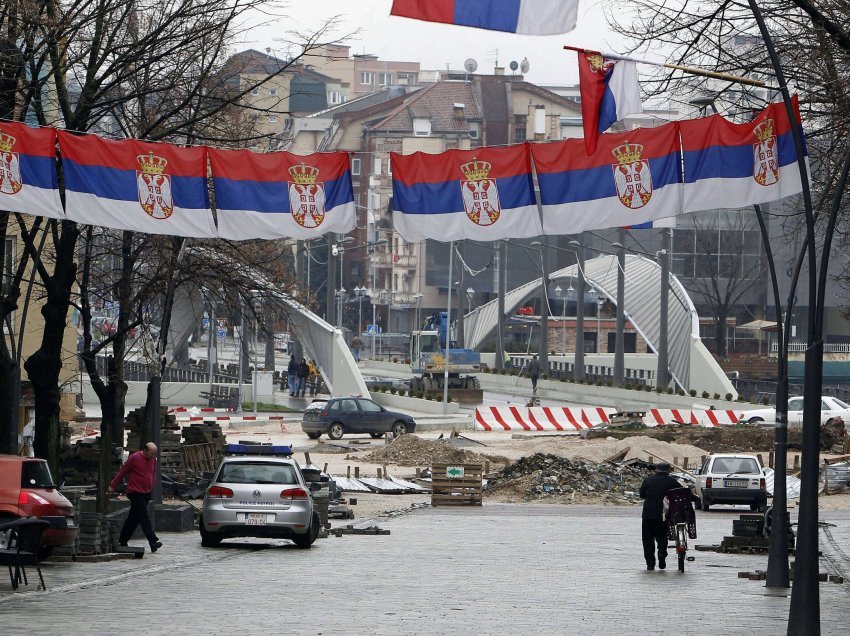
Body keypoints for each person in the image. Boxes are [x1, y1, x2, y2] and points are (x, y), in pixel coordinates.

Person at [109, 442, 162, 553]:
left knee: (134, 518)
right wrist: (113, 485)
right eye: (152, 453)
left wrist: (151, 487)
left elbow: (153, 473)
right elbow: (123, 472)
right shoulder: (134, 458)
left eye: (155, 454)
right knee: (144, 516)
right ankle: (153, 541)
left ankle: (122, 540)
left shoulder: (153, 460)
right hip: (135, 492)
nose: (153, 456)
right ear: (145, 450)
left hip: (146, 492)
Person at [639, 462, 681, 570]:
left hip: (648, 514)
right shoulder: (671, 481)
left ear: (656, 470)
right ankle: (662, 554)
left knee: (647, 539)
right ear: (668, 470)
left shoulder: (648, 480)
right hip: (663, 515)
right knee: (662, 537)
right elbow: (681, 493)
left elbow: (642, 494)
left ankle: (650, 563)